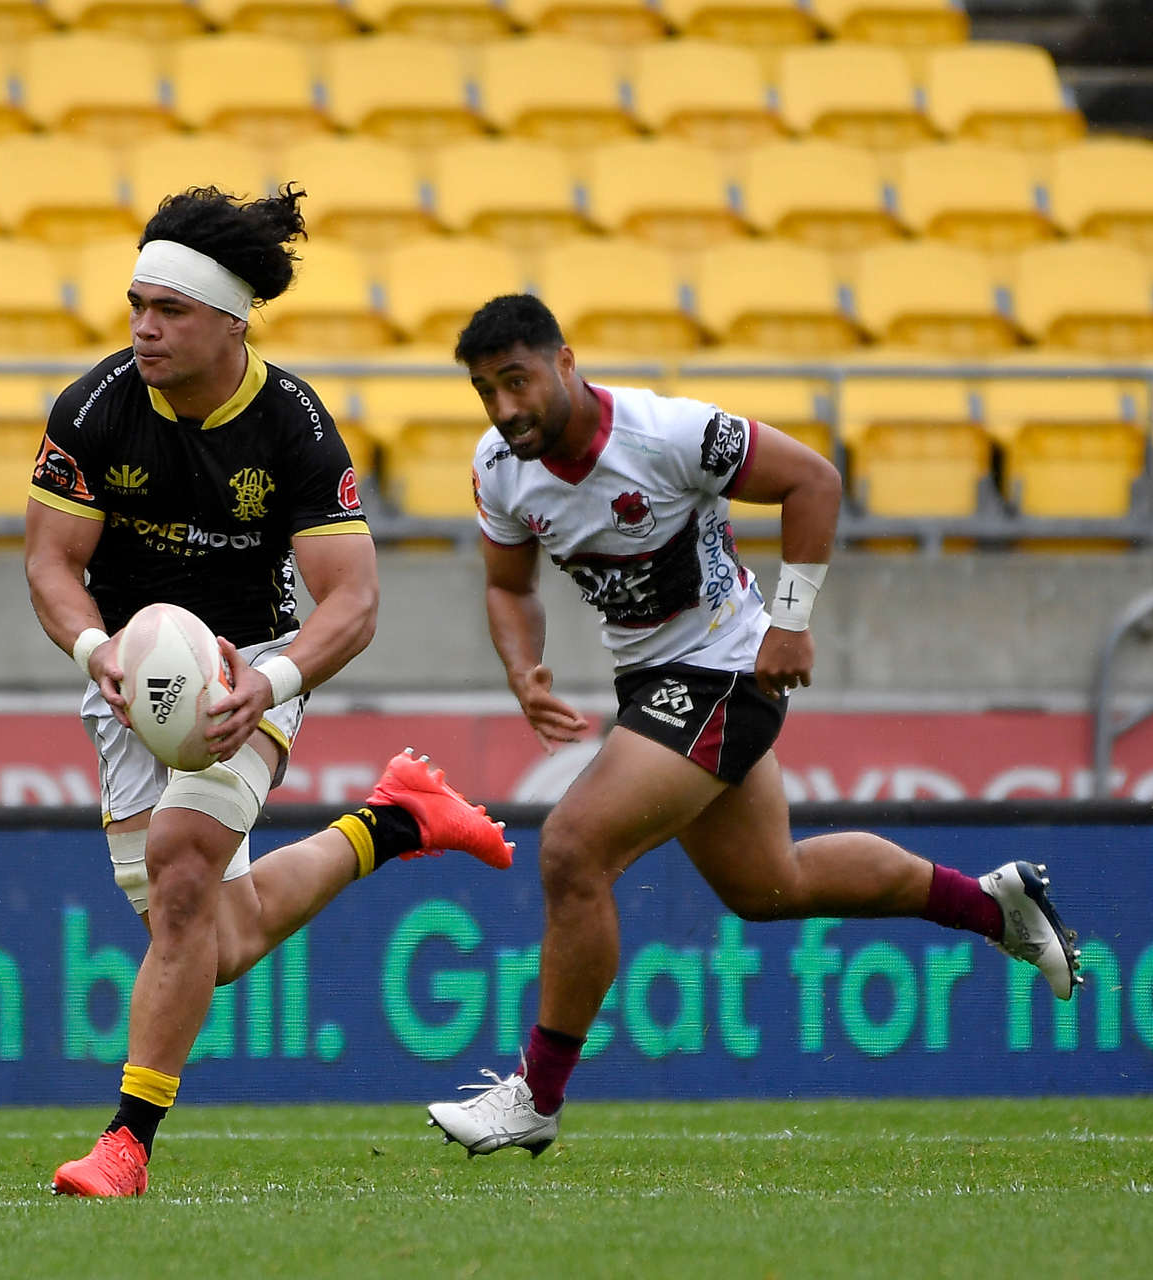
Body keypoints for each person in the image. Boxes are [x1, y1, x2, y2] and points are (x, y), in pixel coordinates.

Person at [425, 294, 1083, 1157]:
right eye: (486, 391)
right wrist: (522, 667)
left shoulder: (669, 434)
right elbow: (509, 588)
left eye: (517, 381)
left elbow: (815, 480)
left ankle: (535, 1097)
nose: (505, 408)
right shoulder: (499, 467)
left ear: (566, 364)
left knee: (574, 849)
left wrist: (791, 619)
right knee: (773, 887)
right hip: (653, 682)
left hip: (727, 670)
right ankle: (995, 905)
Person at [23, 186, 515, 1197]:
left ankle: (126, 1143)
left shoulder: (291, 424)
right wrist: (91, 649)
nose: (144, 328)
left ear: (231, 322)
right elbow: (48, 563)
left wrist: (277, 680)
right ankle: (395, 821)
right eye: (136, 305)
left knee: (184, 867)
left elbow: (354, 598)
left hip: (253, 661)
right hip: (130, 677)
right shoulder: (93, 407)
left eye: (171, 310)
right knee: (211, 930)